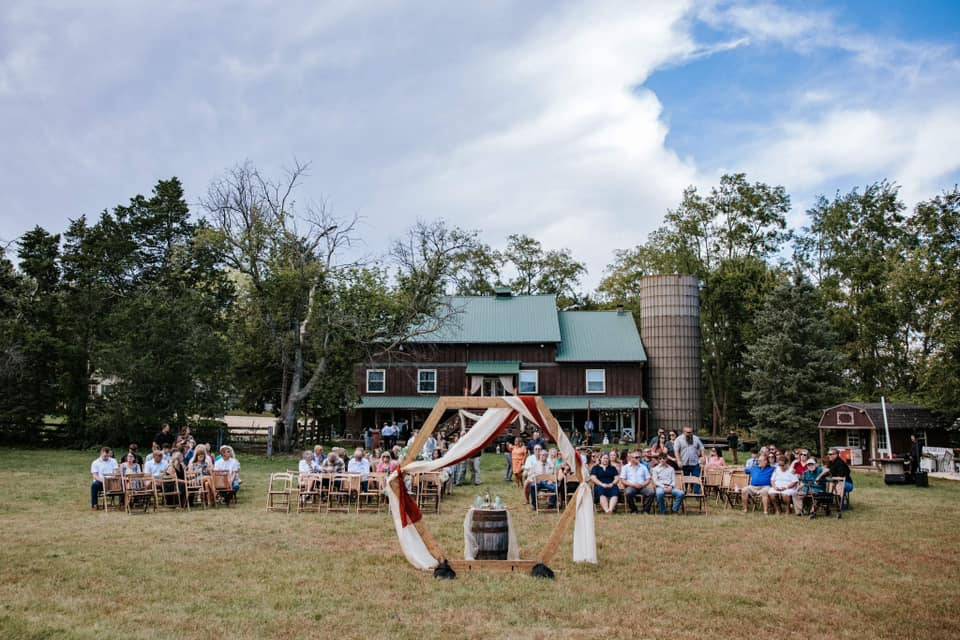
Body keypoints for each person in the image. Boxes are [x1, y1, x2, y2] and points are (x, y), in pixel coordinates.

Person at [674, 427, 705, 493]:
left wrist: (703, 457)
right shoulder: (678, 439)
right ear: (684, 432)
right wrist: (678, 461)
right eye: (688, 432)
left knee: (697, 479)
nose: (689, 434)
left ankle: (697, 494)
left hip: (695, 463)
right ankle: (683, 493)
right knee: (684, 479)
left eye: (691, 432)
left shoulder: (696, 438)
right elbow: (676, 451)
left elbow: (702, 447)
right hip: (684, 463)